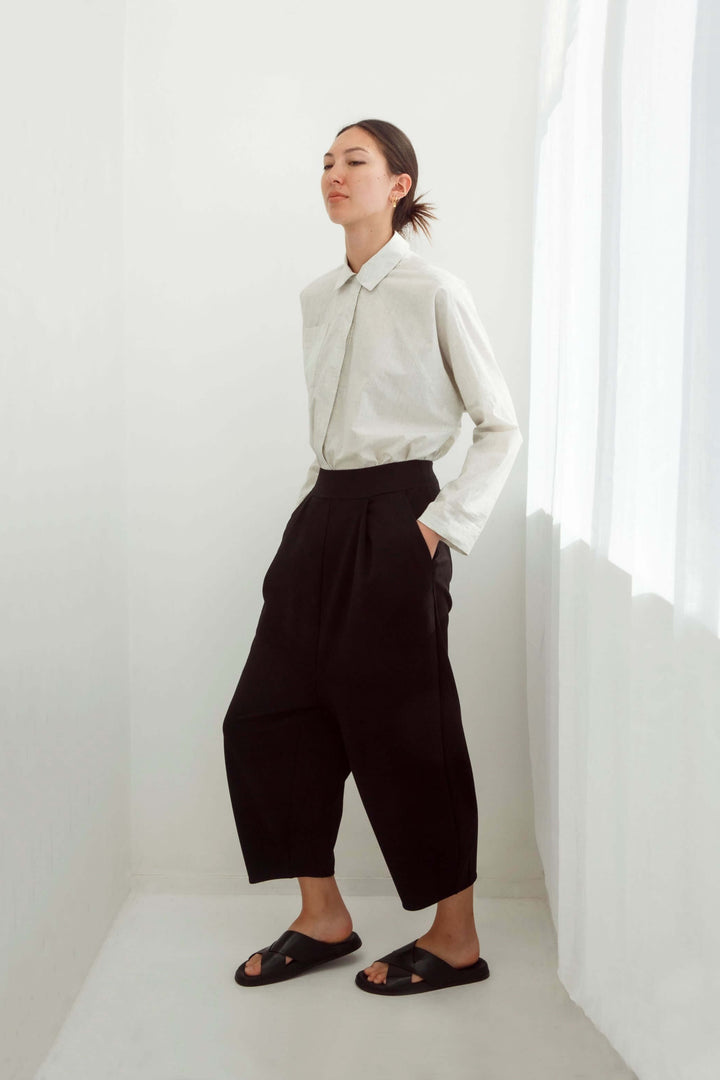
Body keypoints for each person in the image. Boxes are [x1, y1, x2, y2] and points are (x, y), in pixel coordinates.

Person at [222, 119, 524, 996]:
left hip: (400, 515)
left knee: (408, 735)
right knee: (268, 718)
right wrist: (305, 531)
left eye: (354, 160)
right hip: (322, 517)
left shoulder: (433, 289)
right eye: (325, 163)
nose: (333, 174)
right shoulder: (319, 296)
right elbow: (331, 427)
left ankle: (456, 939)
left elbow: (499, 423)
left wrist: (436, 527)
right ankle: (324, 915)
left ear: (399, 184)